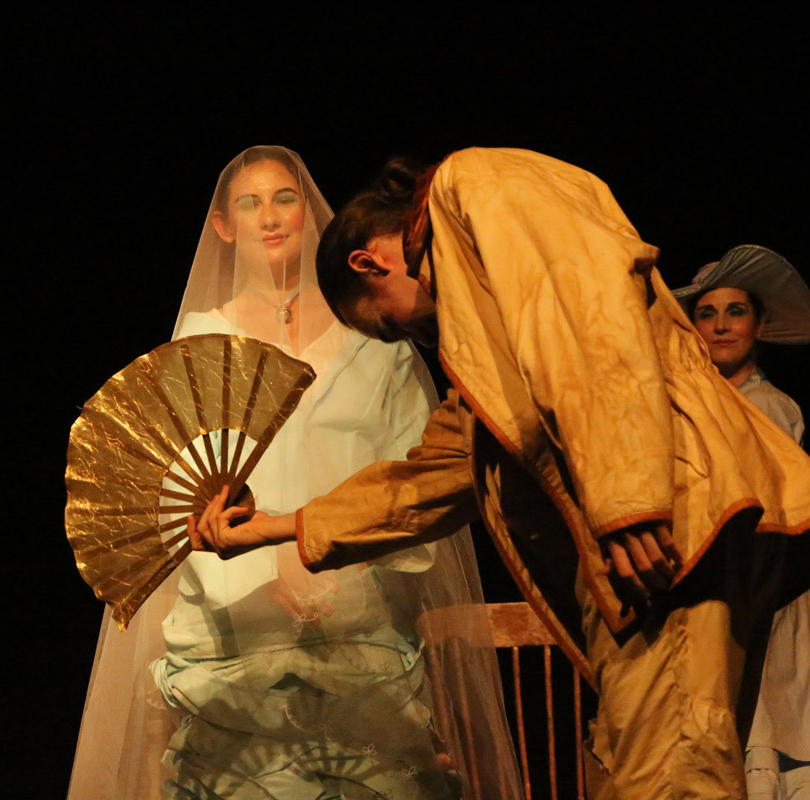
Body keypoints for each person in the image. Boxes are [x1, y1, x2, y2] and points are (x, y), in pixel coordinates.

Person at [191, 147, 810, 799]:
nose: (419, 337)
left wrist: (628, 503)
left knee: (673, 772)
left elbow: (589, 316)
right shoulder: (492, 335)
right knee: (639, 761)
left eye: (392, 326)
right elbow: (435, 474)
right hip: (636, 542)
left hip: (664, 526)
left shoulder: (477, 184)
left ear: (371, 262)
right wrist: (276, 528)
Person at [66, 146, 520, 799]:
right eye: (250, 203)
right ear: (224, 225)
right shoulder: (198, 343)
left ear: (309, 213)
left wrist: (336, 561)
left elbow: (419, 476)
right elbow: (178, 497)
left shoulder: (375, 336)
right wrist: (264, 564)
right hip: (236, 626)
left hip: (361, 619)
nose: (270, 217)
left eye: (285, 198)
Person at [675, 245, 810, 799]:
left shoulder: (765, 406)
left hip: (760, 587)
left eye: (735, 312)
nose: (720, 326)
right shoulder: (704, 404)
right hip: (723, 587)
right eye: (707, 313)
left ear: (759, 326)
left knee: (761, 725)